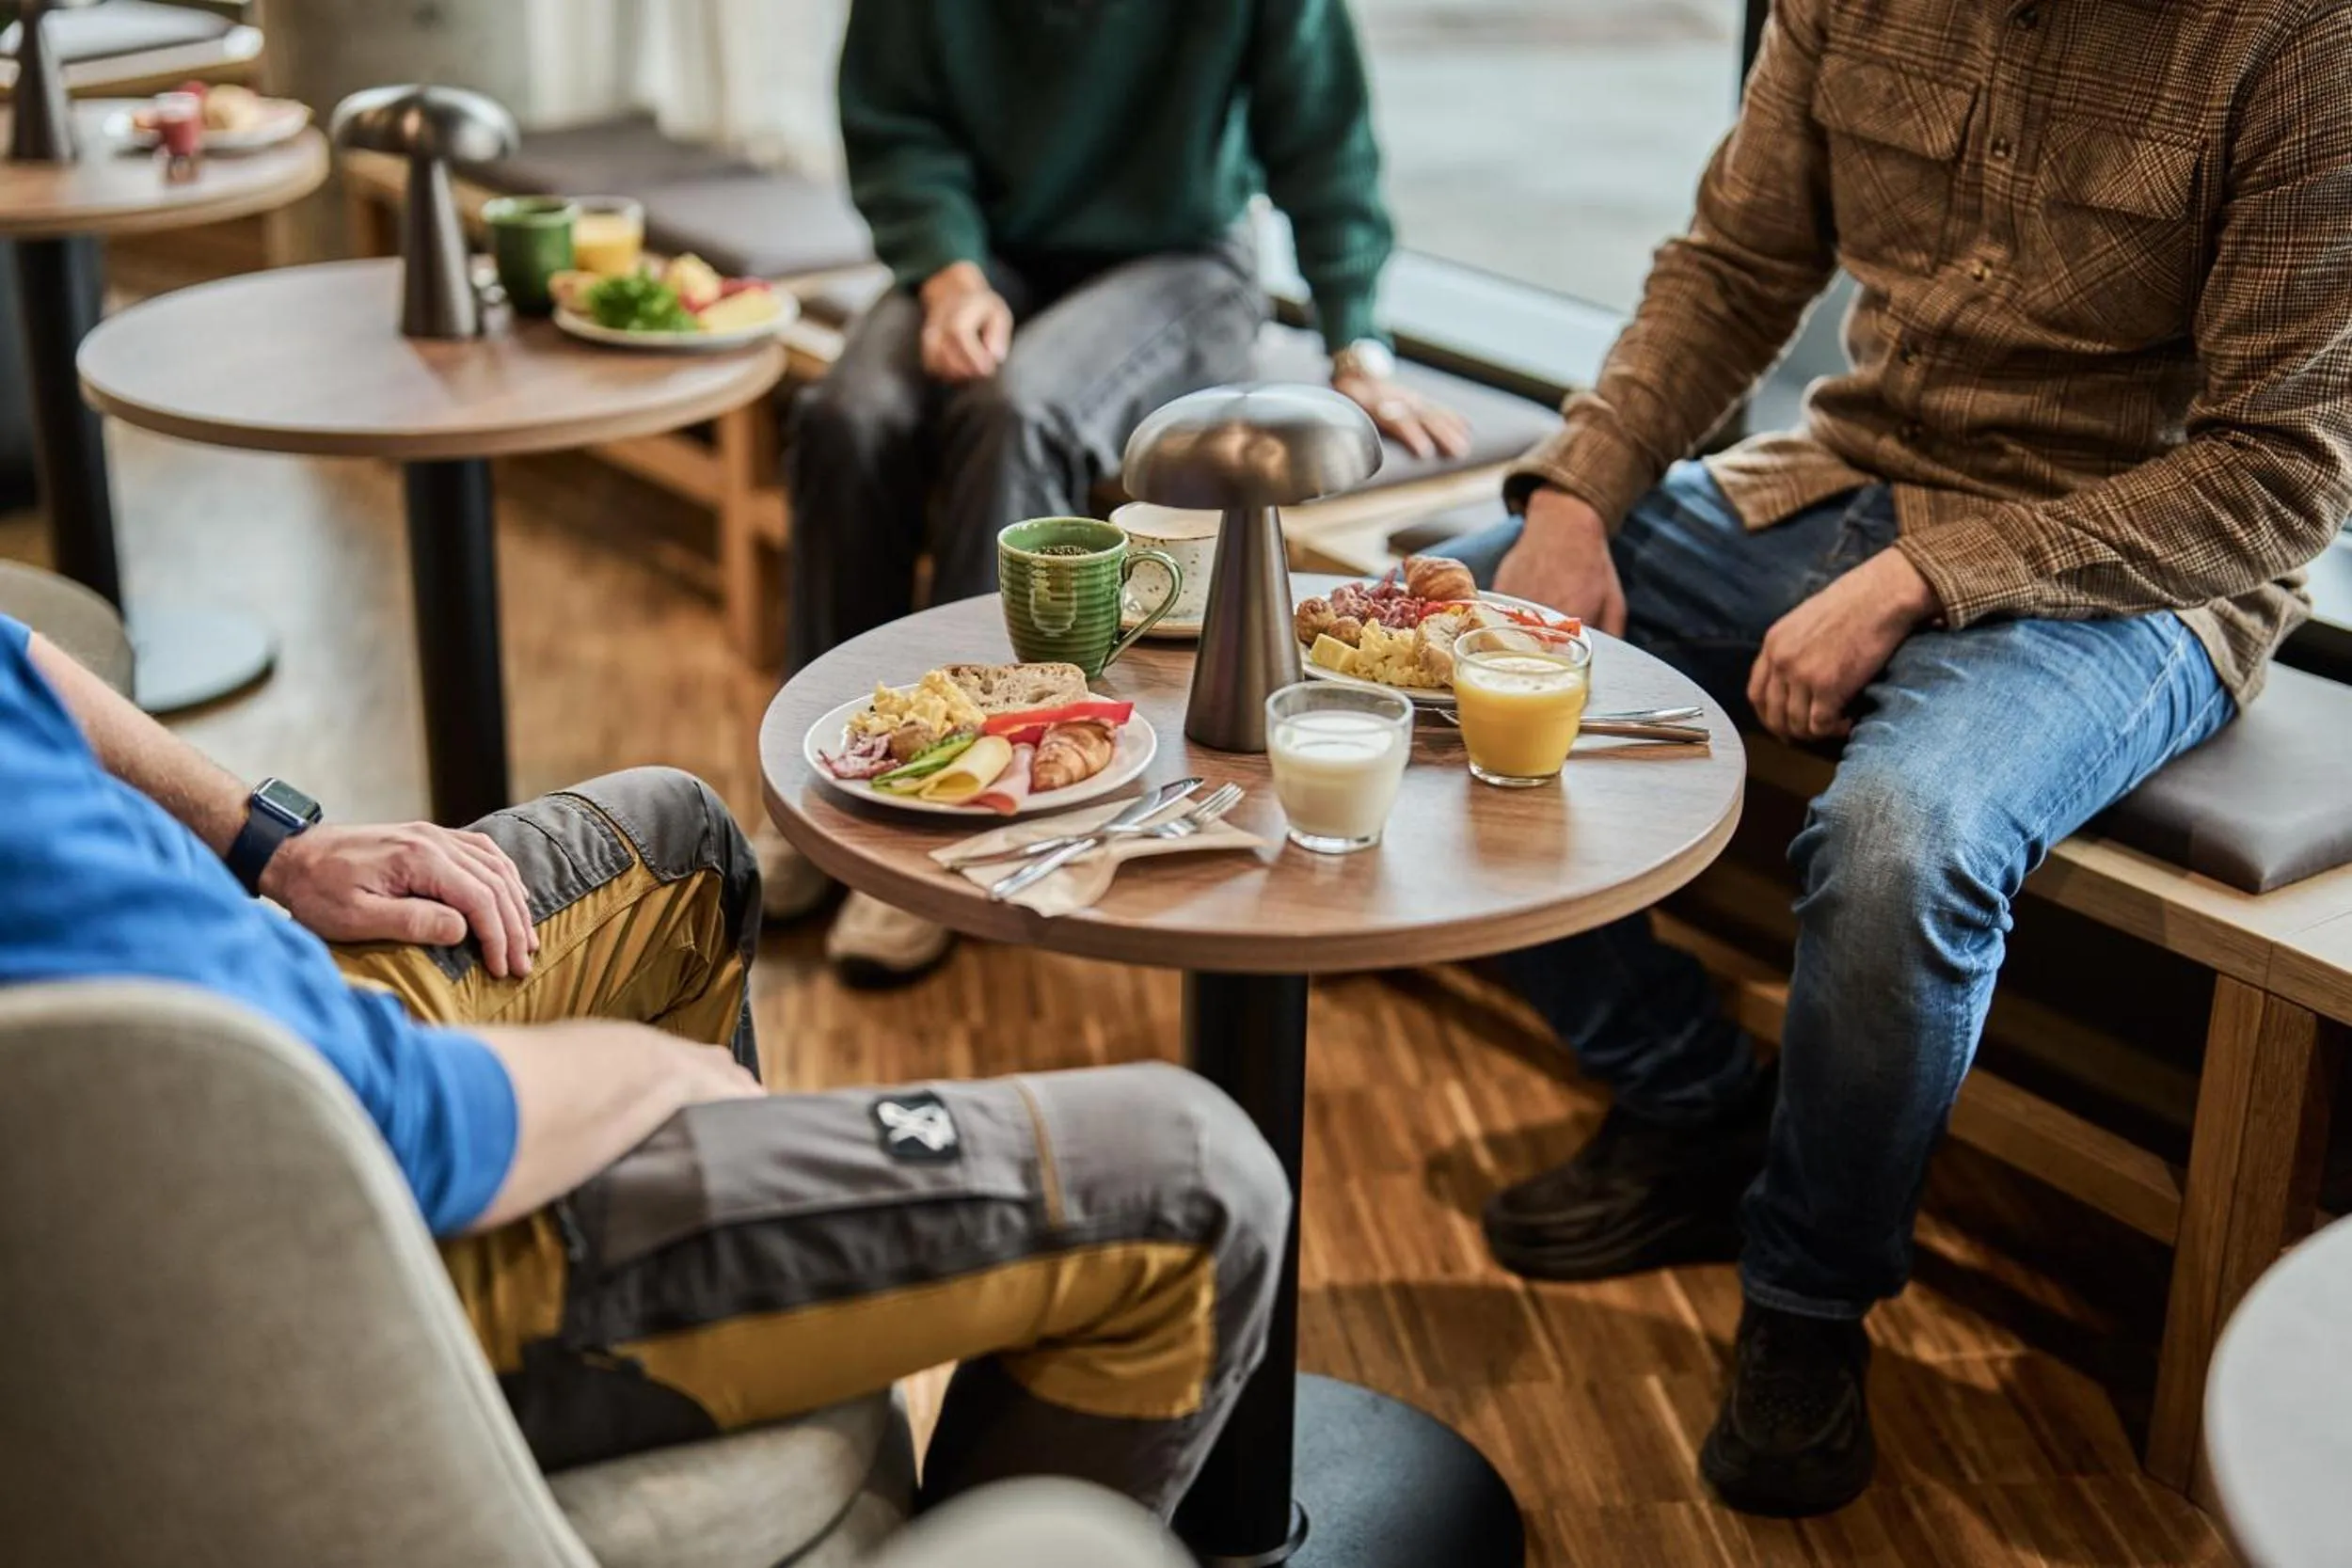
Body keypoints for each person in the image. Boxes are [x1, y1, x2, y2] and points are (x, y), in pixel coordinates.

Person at [1446, 0, 2352, 1518]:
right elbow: (1734, 269)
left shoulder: (2296, 39)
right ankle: (1685, 1098)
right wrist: (1579, 493)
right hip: (1846, 482)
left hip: (2131, 580)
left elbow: (2279, 478)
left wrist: (1924, 582)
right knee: (1440, 653)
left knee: (1896, 845)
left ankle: (1805, 1307)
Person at [0, 612, 1288, 1515]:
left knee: (677, 842)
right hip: (315, 1224)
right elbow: (391, 1124)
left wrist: (264, 838)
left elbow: (17, 653)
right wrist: (640, 1076)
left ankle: (745, 1264)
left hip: (260, 1034)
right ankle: (674, 1270)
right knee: (1194, 1177)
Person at [773, 0, 1469, 987]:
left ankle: (972, 805)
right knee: (849, 416)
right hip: (988, 252)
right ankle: (836, 798)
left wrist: (1356, 342)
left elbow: (1323, 141)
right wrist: (948, 276)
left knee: (1016, 412)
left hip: (1179, 262)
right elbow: (894, 124)